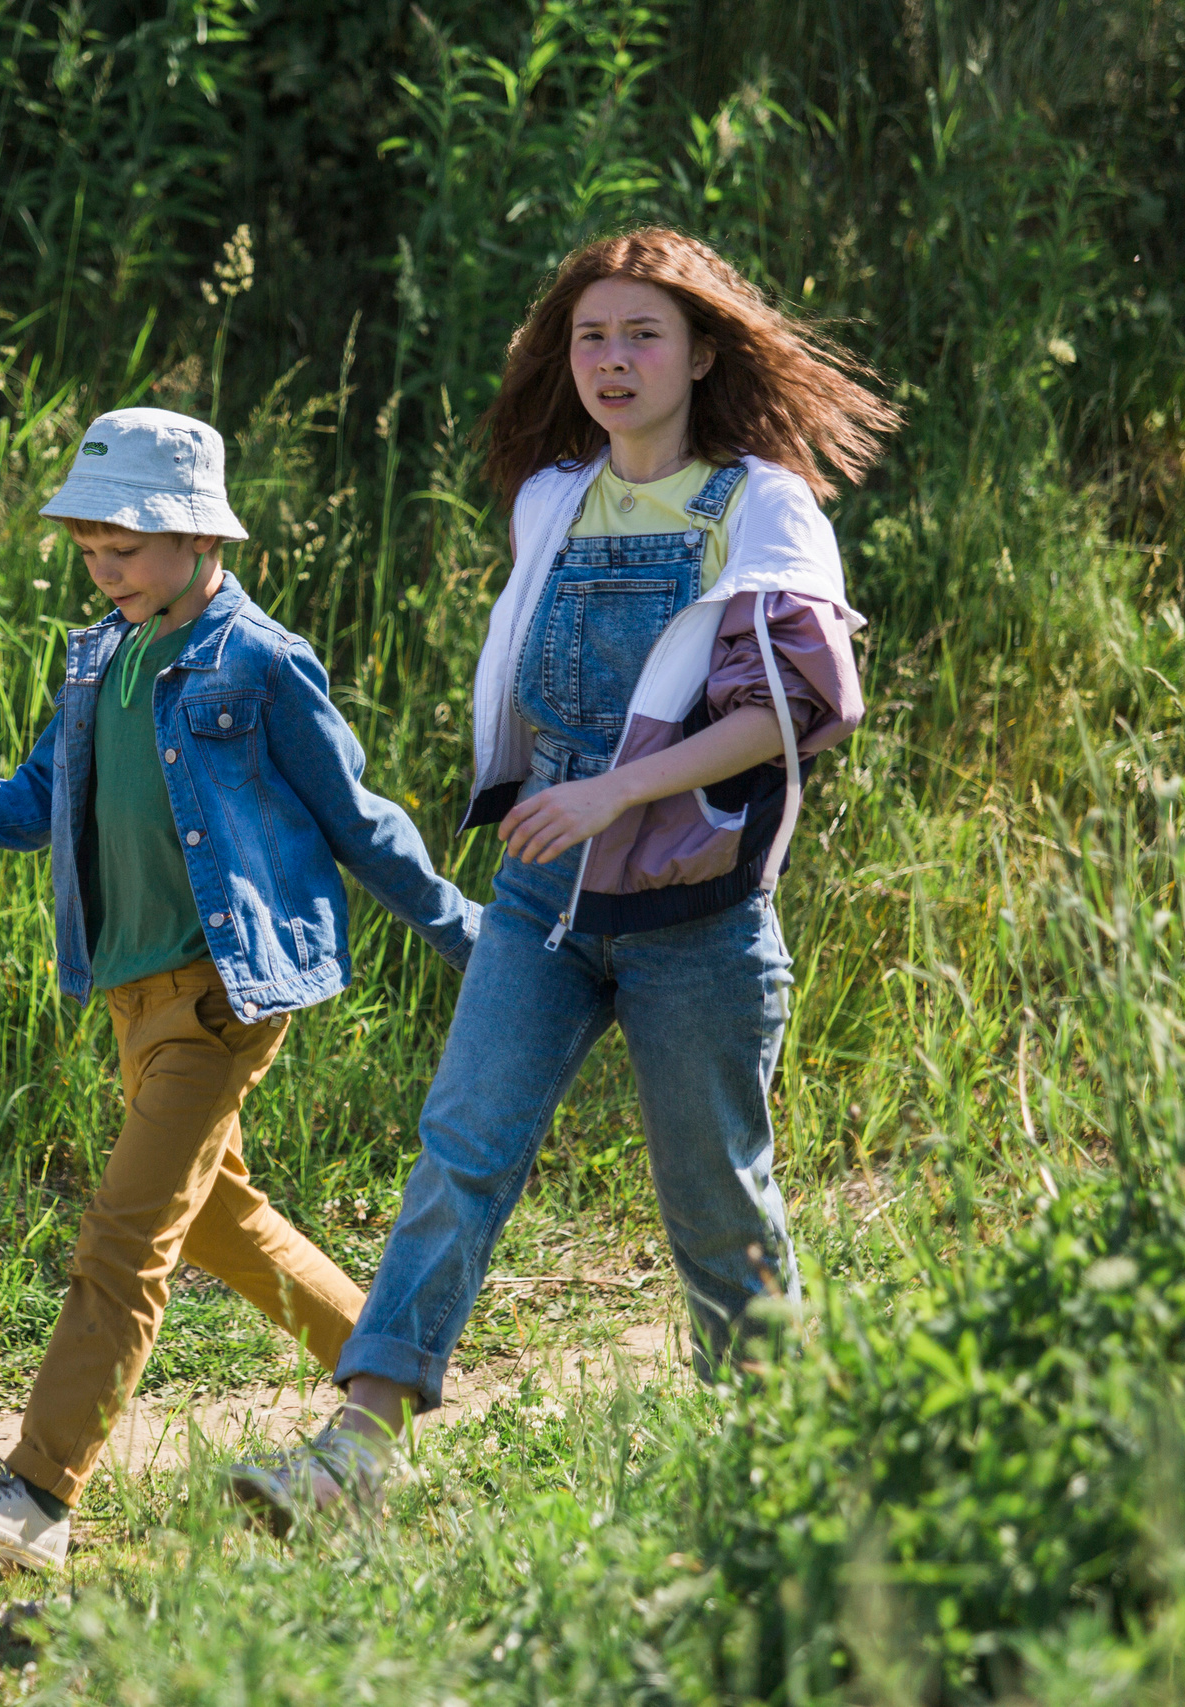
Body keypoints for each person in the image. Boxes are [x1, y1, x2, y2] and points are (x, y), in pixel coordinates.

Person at [225, 228, 899, 1530]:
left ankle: (778, 1478)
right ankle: (356, 1452)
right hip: (542, 899)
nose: (612, 359)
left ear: (704, 351)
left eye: (642, 333)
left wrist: (613, 788)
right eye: (591, 335)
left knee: (717, 1201)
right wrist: (550, 785)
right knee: (460, 1153)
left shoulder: (762, 503)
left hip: (696, 911)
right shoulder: (554, 497)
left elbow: (806, 705)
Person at [0, 406, 482, 1570]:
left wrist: (475, 942)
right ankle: (400, 1390)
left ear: (195, 536)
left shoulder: (261, 663)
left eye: (123, 549)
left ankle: (37, 1493)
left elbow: (362, 825)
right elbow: (36, 797)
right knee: (227, 1227)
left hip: (225, 995)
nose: (104, 571)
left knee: (122, 1240)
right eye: (89, 552)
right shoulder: (100, 662)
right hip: (133, 1000)